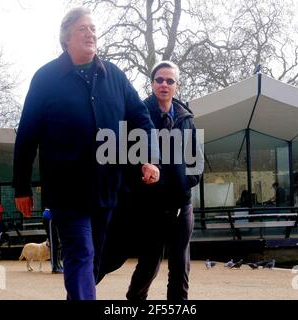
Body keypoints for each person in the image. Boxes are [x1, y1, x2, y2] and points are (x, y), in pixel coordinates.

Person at [12, 6, 160, 300]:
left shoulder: (115, 77)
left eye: (93, 29)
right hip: (67, 191)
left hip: (107, 190)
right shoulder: (45, 79)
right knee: (80, 252)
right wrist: (21, 187)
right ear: (66, 37)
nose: (91, 34)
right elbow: (27, 134)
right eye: (83, 29)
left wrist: (149, 156)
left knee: (95, 260)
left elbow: (142, 118)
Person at [125, 61, 202, 301]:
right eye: (159, 80)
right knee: (149, 264)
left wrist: (176, 181)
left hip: (182, 205)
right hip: (151, 206)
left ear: (177, 86)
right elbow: (127, 161)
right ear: (152, 84)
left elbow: (197, 165)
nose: (164, 84)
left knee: (180, 265)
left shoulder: (186, 118)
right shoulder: (138, 116)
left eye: (170, 81)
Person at [42, 208, 63, 273]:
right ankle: (54, 266)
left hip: (57, 216)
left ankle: (58, 264)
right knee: (54, 242)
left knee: (59, 243)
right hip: (50, 217)